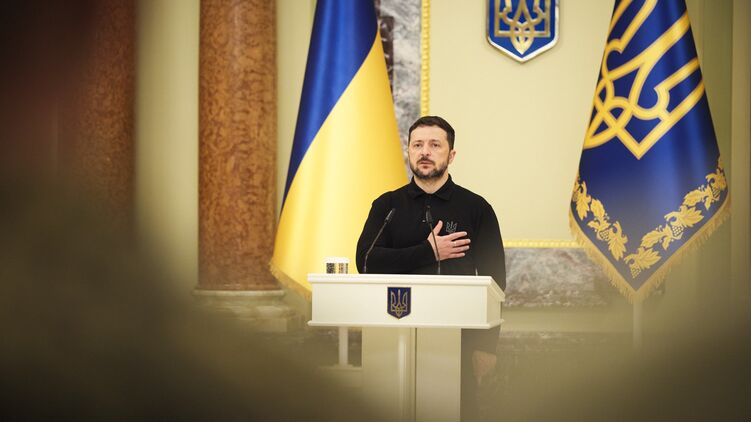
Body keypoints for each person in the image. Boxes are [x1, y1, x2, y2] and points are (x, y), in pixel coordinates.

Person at [355, 115, 506, 420]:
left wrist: (486, 346)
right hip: (392, 334)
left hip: (459, 339)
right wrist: (428, 252)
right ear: (409, 151)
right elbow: (366, 262)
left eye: (435, 145)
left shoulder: (477, 208)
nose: (424, 152)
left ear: (451, 155)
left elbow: (496, 281)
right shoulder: (387, 205)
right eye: (417, 145)